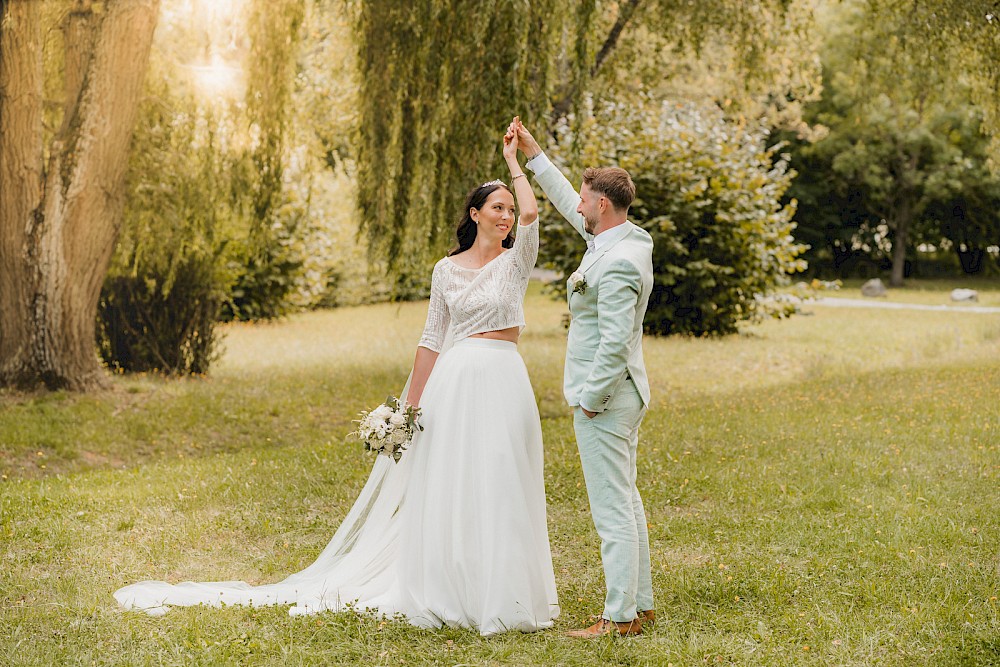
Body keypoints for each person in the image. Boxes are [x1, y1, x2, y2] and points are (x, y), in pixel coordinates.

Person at [114, 118, 559, 637]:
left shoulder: (515, 261)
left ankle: (503, 593)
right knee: (455, 485)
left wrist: (514, 163)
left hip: (504, 380)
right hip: (455, 384)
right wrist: (407, 412)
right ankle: (455, 585)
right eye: (496, 207)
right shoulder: (445, 270)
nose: (506, 215)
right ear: (474, 214)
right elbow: (431, 340)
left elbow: (533, 211)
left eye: (508, 208)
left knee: (503, 480)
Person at [513, 119, 655, 638]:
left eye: (586, 200)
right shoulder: (617, 241)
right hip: (626, 395)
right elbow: (564, 195)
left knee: (612, 508)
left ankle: (618, 618)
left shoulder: (617, 262)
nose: (578, 205)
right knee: (628, 498)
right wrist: (533, 155)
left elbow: (616, 341)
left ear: (604, 206)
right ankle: (640, 606)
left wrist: (591, 399)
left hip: (608, 397)